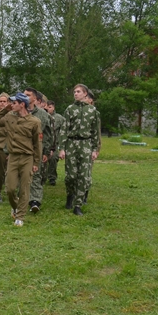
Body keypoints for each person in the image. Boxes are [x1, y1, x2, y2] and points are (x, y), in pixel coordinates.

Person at [0, 93, 42, 227]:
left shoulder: (34, 122)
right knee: (10, 188)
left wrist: (36, 162)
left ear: (22, 104)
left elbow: (38, 143)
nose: (11, 104)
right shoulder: (9, 117)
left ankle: (20, 216)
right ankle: (15, 206)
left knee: (24, 189)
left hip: (27, 158)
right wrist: (5, 109)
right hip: (13, 157)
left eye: (14, 103)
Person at [59, 84, 100, 216]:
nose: (75, 94)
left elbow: (95, 132)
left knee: (84, 176)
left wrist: (95, 149)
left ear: (85, 94)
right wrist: (62, 148)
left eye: (78, 92)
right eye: (74, 92)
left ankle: (78, 205)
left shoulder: (92, 111)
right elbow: (64, 129)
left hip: (86, 144)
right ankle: (70, 194)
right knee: (71, 176)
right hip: (71, 143)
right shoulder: (70, 109)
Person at [24, 87, 52, 213]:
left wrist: (46, 151)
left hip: (36, 149)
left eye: (28, 95)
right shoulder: (19, 111)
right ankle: (22, 198)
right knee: (21, 175)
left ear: (35, 98)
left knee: (36, 174)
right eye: (24, 94)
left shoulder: (43, 115)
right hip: (21, 149)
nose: (26, 97)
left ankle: (35, 201)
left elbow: (48, 134)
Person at [84, 89, 102, 203]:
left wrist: (96, 149)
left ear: (90, 100)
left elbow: (97, 133)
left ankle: (84, 195)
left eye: (85, 98)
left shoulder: (95, 114)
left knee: (86, 172)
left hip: (89, 146)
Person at [46, 100, 65, 186]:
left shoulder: (59, 118)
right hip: (45, 143)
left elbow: (64, 129)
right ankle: (42, 176)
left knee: (53, 159)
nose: (48, 109)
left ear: (53, 107)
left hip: (55, 144)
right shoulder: (43, 116)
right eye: (47, 107)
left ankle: (52, 177)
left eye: (50, 107)